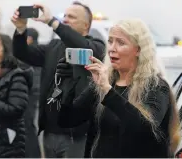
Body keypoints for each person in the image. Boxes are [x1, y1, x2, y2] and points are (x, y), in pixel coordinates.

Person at [57, 19, 181, 158]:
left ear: (138, 50)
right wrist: (66, 85)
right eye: (110, 41)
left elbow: (143, 130)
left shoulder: (156, 86)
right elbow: (67, 120)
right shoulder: (104, 83)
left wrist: (108, 91)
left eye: (121, 43)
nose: (112, 48)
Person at [11, 1, 106, 158]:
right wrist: (21, 28)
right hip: (50, 132)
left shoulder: (95, 47)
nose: (65, 20)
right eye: (65, 16)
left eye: (72, 17)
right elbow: (22, 52)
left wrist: (52, 22)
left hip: (77, 135)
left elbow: (81, 45)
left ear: (86, 25)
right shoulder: (54, 47)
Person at [24, 28, 41, 158]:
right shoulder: (40, 51)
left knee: (28, 124)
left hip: (31, 91)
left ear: (29, 38)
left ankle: (33, 155)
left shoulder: (29, 53)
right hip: (37, 90)